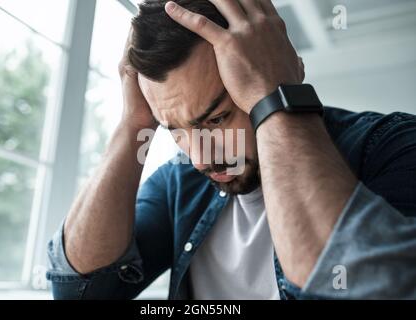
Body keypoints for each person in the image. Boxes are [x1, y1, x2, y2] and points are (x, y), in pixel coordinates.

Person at [47, 0, 416, 299]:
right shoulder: (179, 183)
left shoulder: (392, 145)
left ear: (287, 72)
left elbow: (364, 288)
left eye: (217, 119)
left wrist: (279, 98)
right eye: (176, 130)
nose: (200, 158)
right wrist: (134, 125)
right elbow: (81, 291)